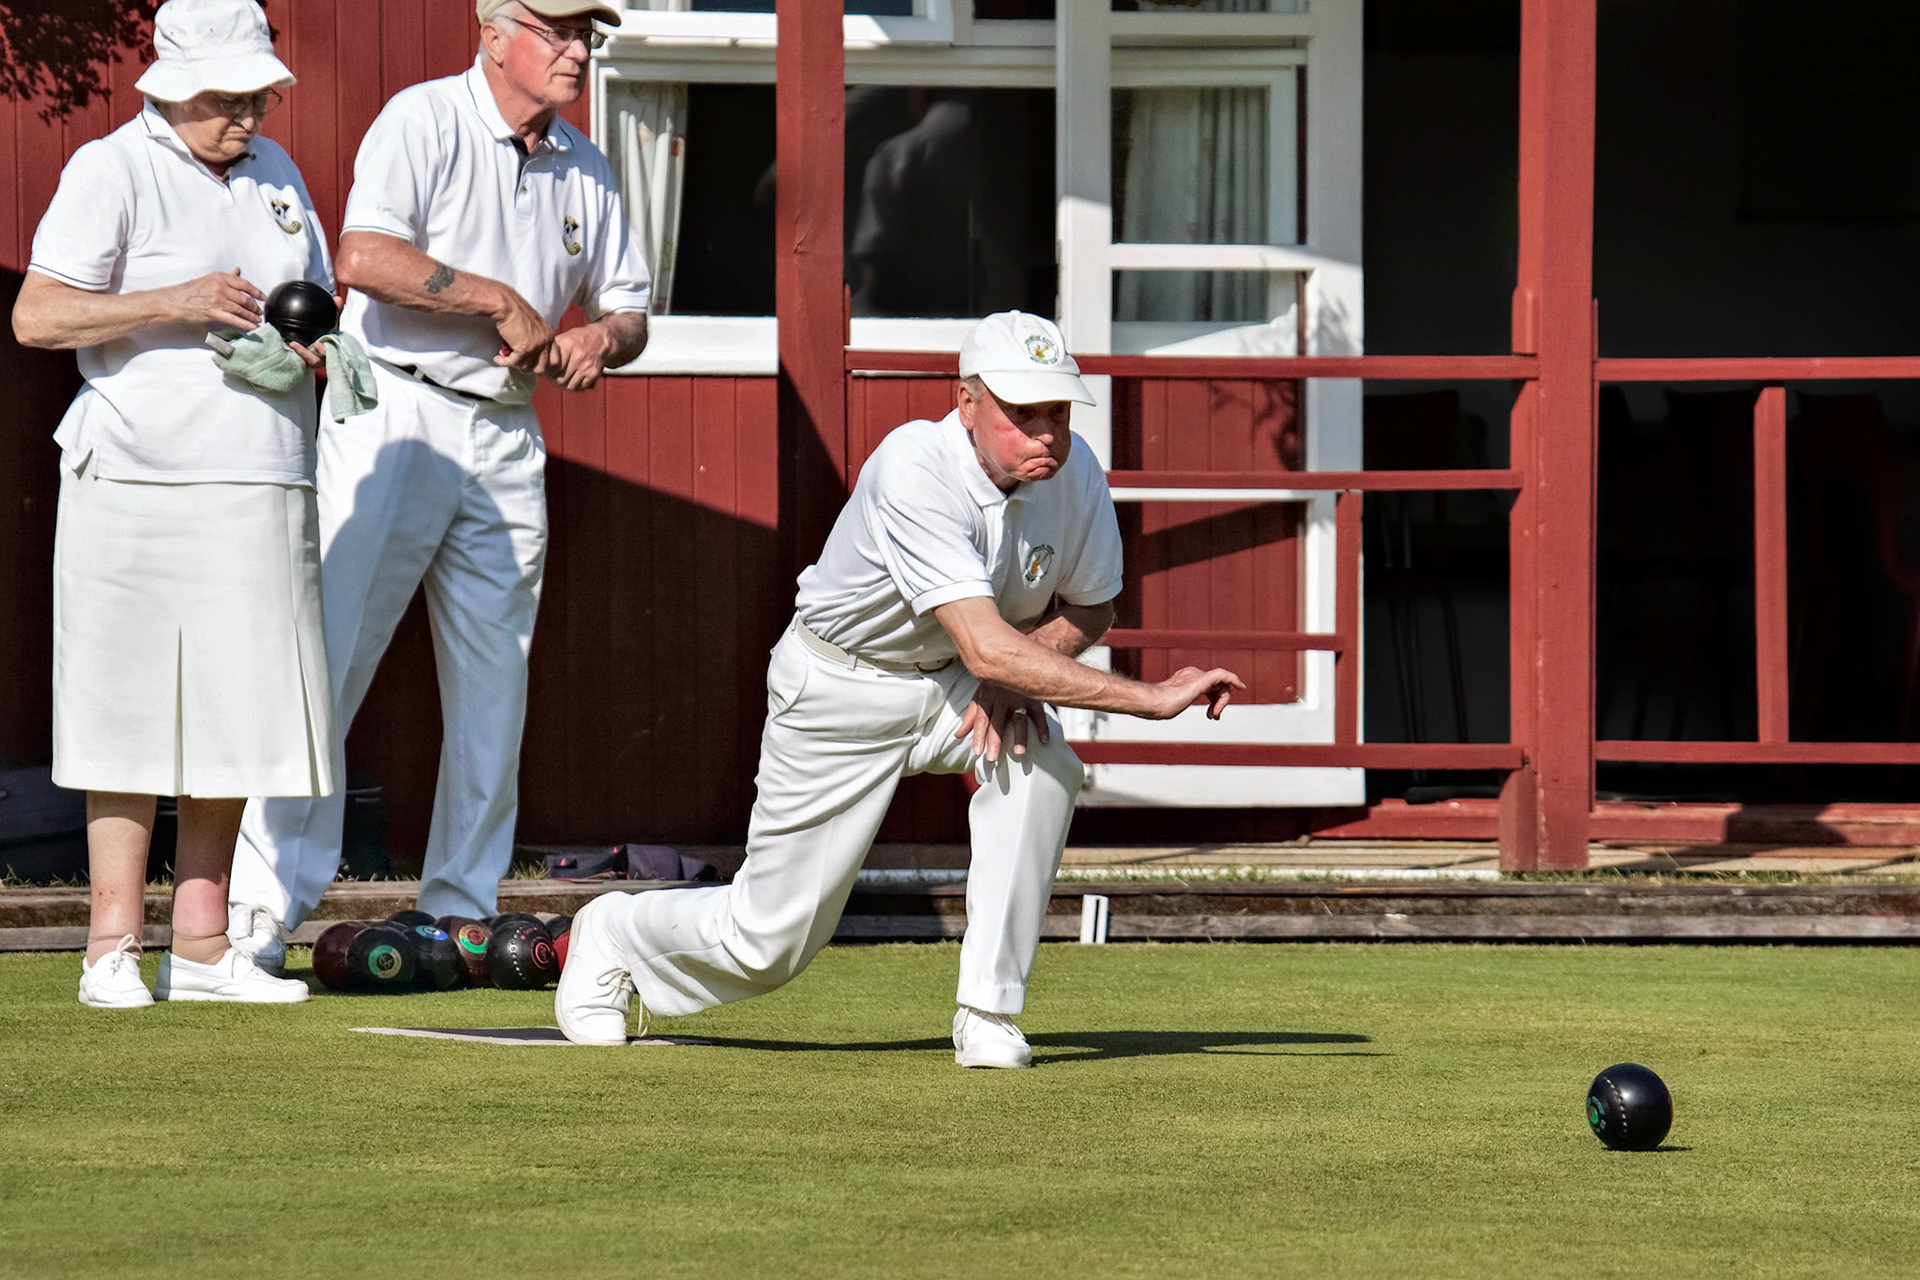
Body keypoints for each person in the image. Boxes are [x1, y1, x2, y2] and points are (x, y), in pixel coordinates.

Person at [557, 311, 1243, 1066]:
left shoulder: (1074, 471)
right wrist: (1145, 697)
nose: (1047, 433)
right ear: (967, 402)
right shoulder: (913, 466)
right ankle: (615, 930)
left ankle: (989, 1014)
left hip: (954, 685)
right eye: (1023, 414)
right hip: (838, 688)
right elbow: (987, 643)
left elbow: (1090, 605)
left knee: (1043, 762)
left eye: (1058, 411)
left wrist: (1023, 672)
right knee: (769, 943)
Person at [225, 0, 652, 971]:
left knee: (497, 684)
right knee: (329, 663)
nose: (578, 50)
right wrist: (498, 297)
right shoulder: (423, 120)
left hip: (507, 428)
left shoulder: (584, 164)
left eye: (589, 33)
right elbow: (363, 257)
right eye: (559, 30)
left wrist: (595, 338)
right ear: (495, 33)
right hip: (397, 413)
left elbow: (630, 312)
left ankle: (458, 913)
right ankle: (259, 913)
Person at [11, 0, 331, 1006]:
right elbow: (38, 315)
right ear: (173, 87)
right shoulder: (112, 169)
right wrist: (174, 301)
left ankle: (198, 945)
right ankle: (110, 945)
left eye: (257, 94)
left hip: (261, 471)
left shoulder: (278, 175)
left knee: (233, 710)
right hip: (138, 474)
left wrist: (315, 349)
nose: (248, 113)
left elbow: (313, 298)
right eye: (228, 97)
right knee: (132, 706)